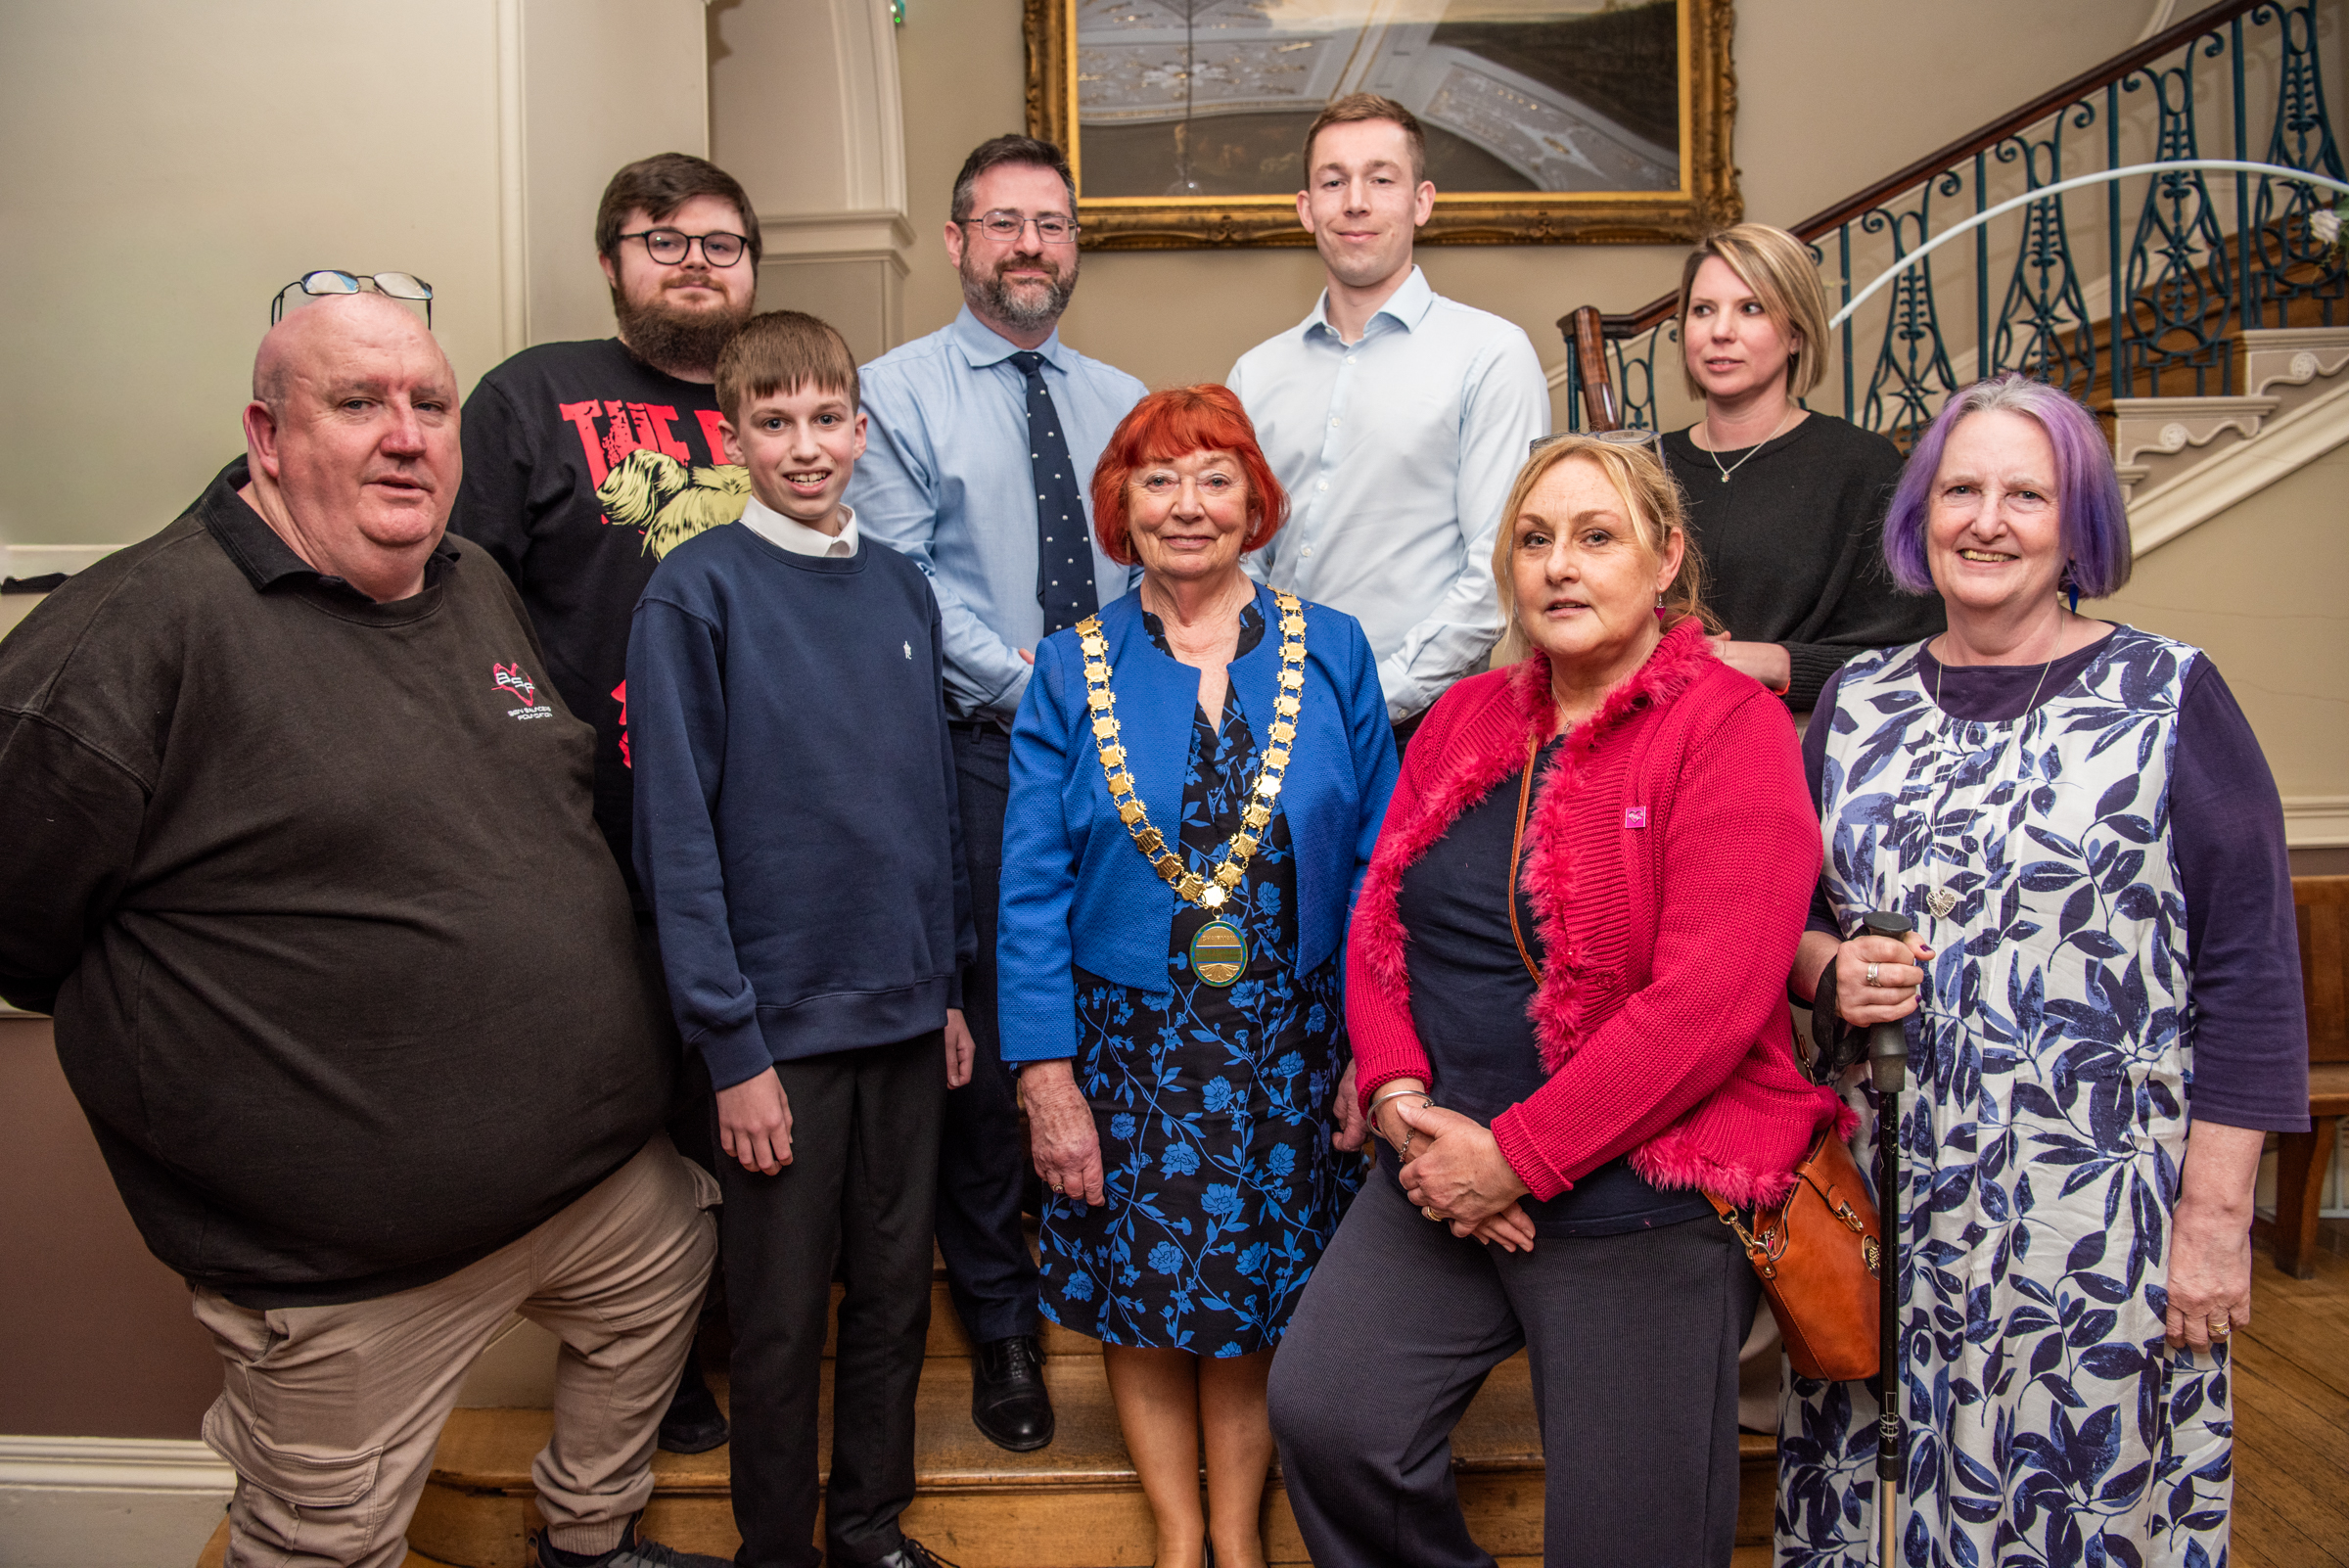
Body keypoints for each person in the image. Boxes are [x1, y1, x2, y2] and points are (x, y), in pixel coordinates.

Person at [0, 291, 724, 1568]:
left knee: (666, 1285)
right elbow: (18, 925)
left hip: (604, 1190)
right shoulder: (137, 629)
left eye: (429, 405)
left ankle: (589, 1541)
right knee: (322, 1542)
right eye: (358, 403)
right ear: (265, 436)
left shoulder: (475, 580)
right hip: (346, 1274)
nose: (407, 435)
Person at [1267, 434, 1845, 1568]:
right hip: (1438, 1171)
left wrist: (1517, 1158)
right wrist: (1394, 1098)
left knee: (1632, 1543)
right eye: (1535, 542)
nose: (1560, 567)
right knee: (1334, 1417)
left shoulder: (1730, 729)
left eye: (1596, 537)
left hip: (1639, 1193)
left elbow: (1709, 1004)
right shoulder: (1467, 716)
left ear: (1667, 556)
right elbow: (1377, 918)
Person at [1779, 375, 2309, 1568]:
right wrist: (1830, 970)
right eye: (1960, 489)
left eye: (2029, 494)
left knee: (2082, 1501)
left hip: (2099, 1222)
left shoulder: (2170, 696)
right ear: (1920, 517)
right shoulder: (1855, 706)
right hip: (1886, 1213)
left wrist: (2217, 1218)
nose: (1988, 519)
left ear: (2079, 525)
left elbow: (2252, 968)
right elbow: (1782, 923)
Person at [998, 385, 1398, 1568]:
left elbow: (1385, 862)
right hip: (1128, 1042)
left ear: (1255, 502)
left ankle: (1241, 1540)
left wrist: (1376, 1047)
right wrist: (1044, 1076)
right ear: (1119, 506)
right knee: (1147, 1290)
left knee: (1258, 1289)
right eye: (1157, 479)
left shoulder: (1333, 648)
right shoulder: (1072, 669)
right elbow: (1025, 886)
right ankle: (1181, 1542)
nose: (1188, 505)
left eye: (1216, 477)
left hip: (1293, 1034)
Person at [624, 311, 975, 1568]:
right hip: (777, 1038)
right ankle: (776, 1547)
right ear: (735, 441)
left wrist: (944, 988)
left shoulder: (898, 585)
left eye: (826, 418)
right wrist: (731, 1048)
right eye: (774, 423)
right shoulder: (696, 592)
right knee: (777, 1318)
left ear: (860, 428)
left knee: (889, 1297)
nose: (805, 444)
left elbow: (928, 800)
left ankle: (870, 1526)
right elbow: (677, 840)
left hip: (903, 1015)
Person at [452, 151, 763, 1452]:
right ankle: (655, 1367)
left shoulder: (781, 397)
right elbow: (460, 600)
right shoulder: (535, 395)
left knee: (746, 1100)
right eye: (662, 239)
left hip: (761, 829)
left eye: (721, 242)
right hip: (593, 831)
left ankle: (745, 1340)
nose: (695, 263)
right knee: (621, 1107)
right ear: (612, 260)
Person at [850, 132, 1147, 1452]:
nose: (1031, 245)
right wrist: (1057, 693)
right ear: (960, 239)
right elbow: (902, 576)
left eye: (1053, 224)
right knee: (996, 1031)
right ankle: (1005, 1318)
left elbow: (1162, 567)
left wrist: (1127, 705)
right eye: (1003, 223)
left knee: (1132, 998)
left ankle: (1125, 1274)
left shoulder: (1125, 399)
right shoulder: (891, 394)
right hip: (985, 747)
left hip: (1127, 753)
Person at [1227, 93, 1549, 748]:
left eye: (1381, 178)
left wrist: (1376, 697)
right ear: (1305, 206)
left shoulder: (1490, 355)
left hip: (1428, 727)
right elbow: (1239, 562)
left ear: (1421, 201)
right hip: (1274, 723)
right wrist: (1268, 690)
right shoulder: (1254, 376)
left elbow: (1496, 567)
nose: (1355, 201)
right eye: (1333, 181)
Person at [1658, 222, 1944, 716]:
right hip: (1649, 745)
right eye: (1703, 310)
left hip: (1801, 742)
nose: (1720, 330)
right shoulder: (1645, 467)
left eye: (1751, 308)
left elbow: (1916, 655)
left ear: (1795, 332)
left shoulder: (1860, 465)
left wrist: (1773, 662)